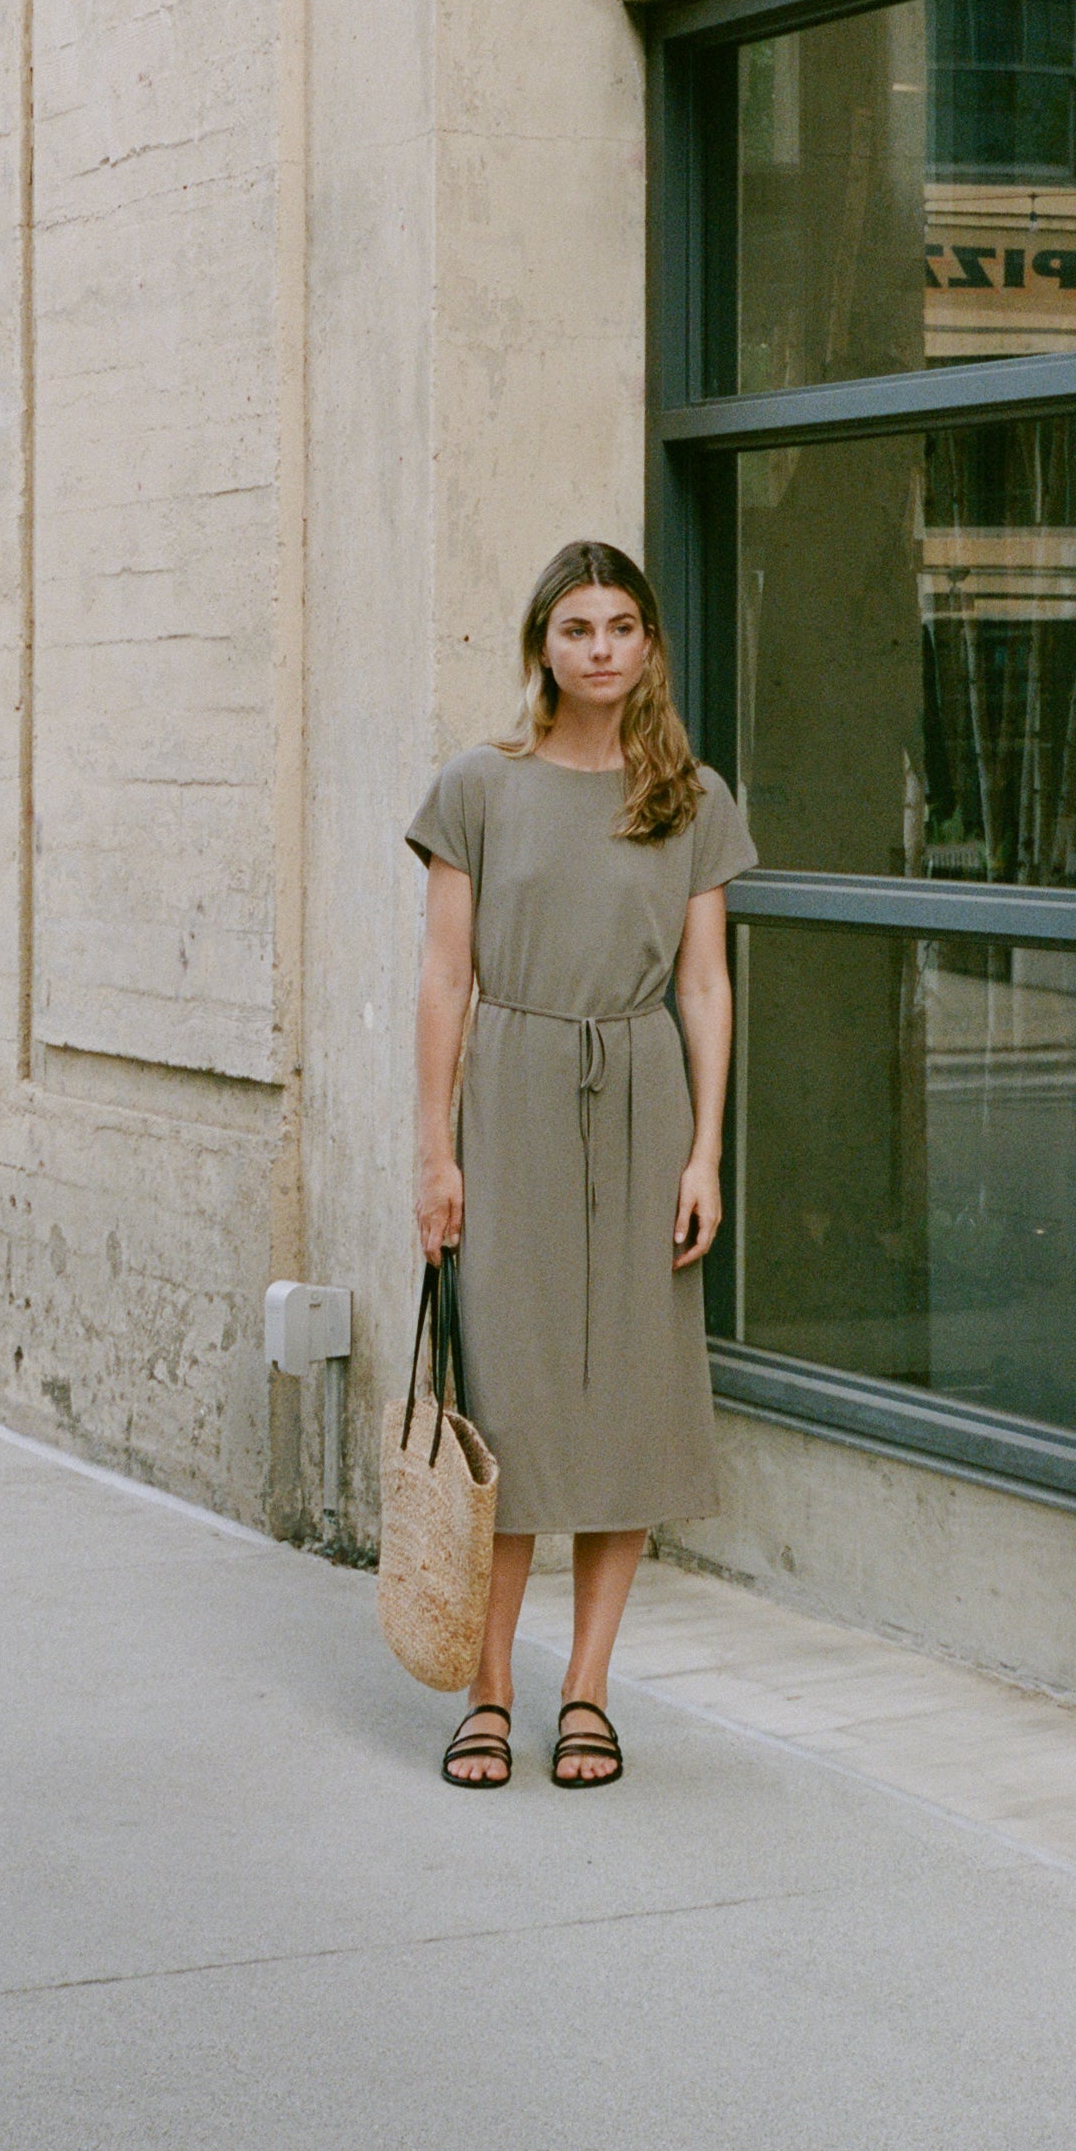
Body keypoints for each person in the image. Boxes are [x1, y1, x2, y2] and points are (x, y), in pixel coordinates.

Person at [406, 540, 757, 1787]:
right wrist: (434, 1154)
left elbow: (706, 985)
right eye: (576, 628)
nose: (600, 648)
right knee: (507, 1407)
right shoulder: (478, 787)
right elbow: (446, 979)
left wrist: (706, 1150)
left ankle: (589, 1690)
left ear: (648, 644)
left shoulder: (691, 796)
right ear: (541, 646)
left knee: (632, 1408)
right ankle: (487, 1689)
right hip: (512, 1094)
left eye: (621, 626)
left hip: (645, 1101)